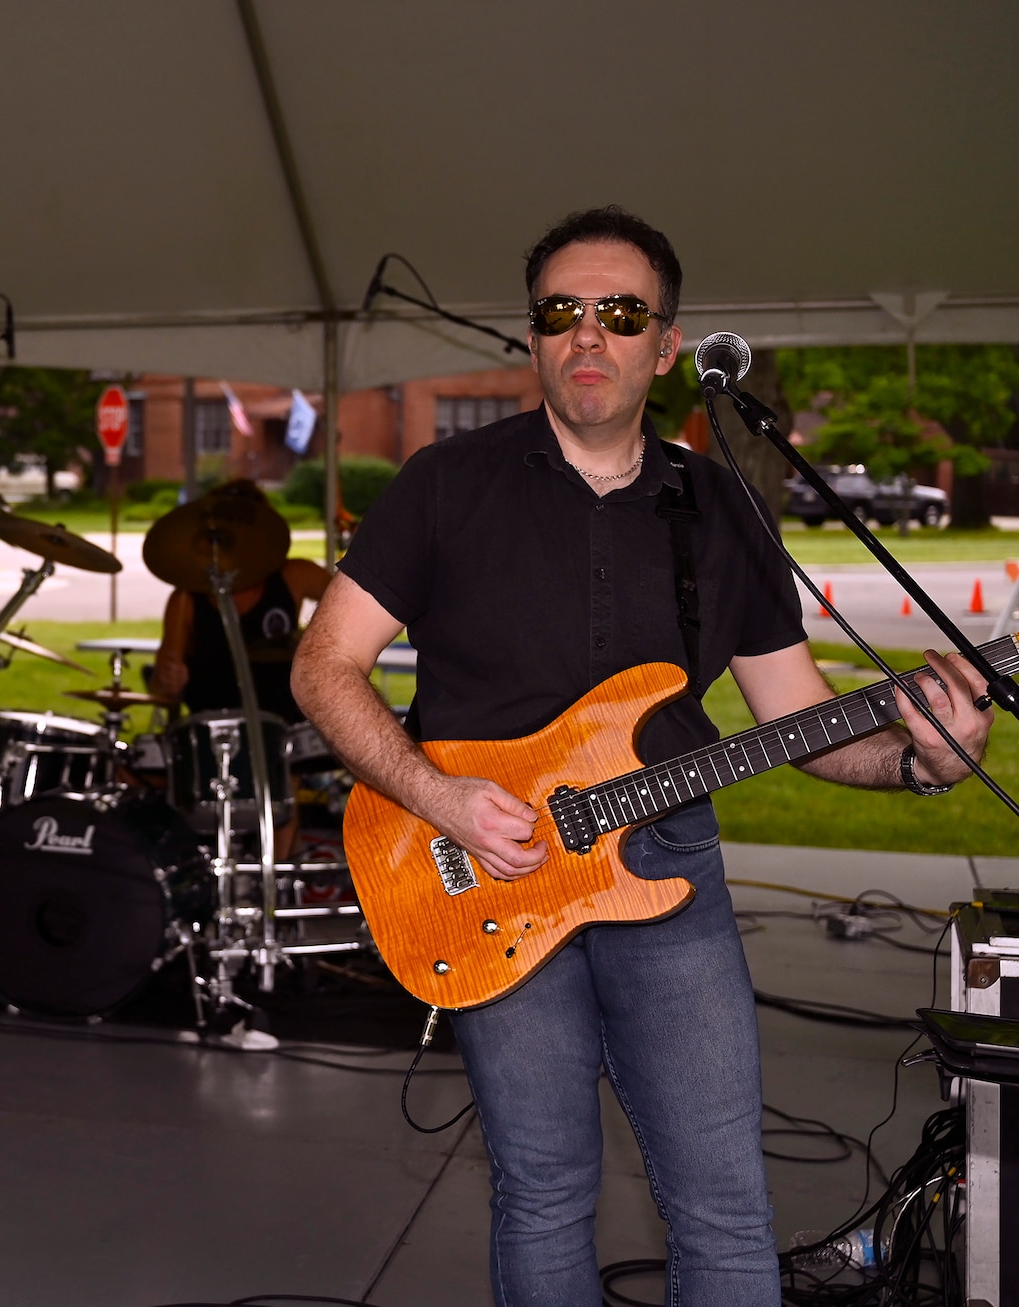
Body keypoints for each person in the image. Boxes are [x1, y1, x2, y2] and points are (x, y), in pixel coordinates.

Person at [291, 206, 994, 1305]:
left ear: (664, 345)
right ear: (530, 338)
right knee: (541, 1190)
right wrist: (439, 794)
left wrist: (916, 762)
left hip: (669, 870)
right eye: (558, 312)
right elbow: (322, 667)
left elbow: (798, 717)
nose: (586, 335)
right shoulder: (444, 482)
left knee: (721, 1204)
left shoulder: (716, 507)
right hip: (485, 861)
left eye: (617, 312)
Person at [150, 479, 330, 722]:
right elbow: (161, 690)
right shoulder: (185, 600)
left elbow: (354, 606)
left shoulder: (294, 575)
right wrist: (170, 682)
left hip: (286, 729)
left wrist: (317, 640)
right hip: (215, 731)